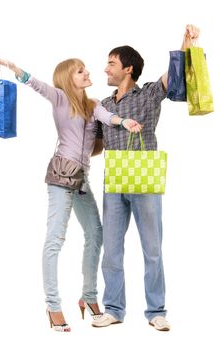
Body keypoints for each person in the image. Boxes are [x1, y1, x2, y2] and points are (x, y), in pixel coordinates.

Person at [0, 52, 142, 332]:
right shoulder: (60, 98)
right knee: (55, 240)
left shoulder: (93, 105)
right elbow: (34, 83)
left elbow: (108, 117)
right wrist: (13, 67)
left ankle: (88, 296)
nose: (87, 73)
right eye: (80, 71)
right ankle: (53, 305)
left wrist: (124, 122)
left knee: (96, 234)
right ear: (67, 79)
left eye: (85, 69)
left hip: (82, 180)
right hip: (61, 177)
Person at [92, 24, 200, 331]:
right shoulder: (105, 106)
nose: (106, 68)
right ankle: (113, 309)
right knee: (112, 250)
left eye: (111, 63)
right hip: (113, 181)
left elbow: (172, 75)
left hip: (145, 180)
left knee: (152, 249)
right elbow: (97, 146)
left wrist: (186, 42)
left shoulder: (150, 93)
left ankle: (156, 311)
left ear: (128, 69)